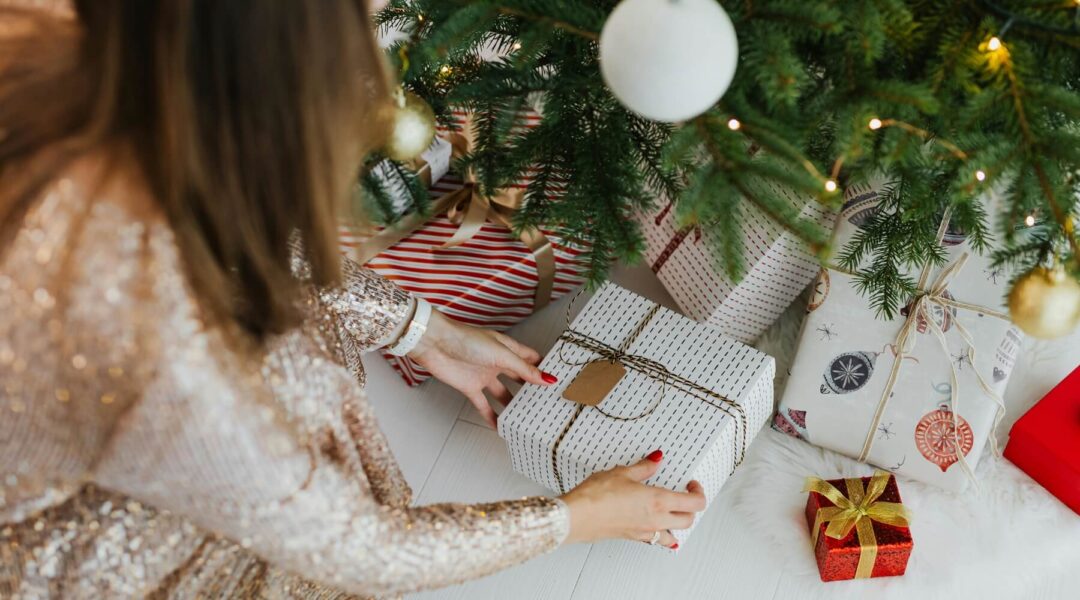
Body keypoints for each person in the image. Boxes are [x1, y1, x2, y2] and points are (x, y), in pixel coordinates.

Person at [0, 1, 707, 598]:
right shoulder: (176, 366)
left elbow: (263, 252)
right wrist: (575, 517)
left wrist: (422, 329)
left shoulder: (76, 60)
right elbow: (362, 546)